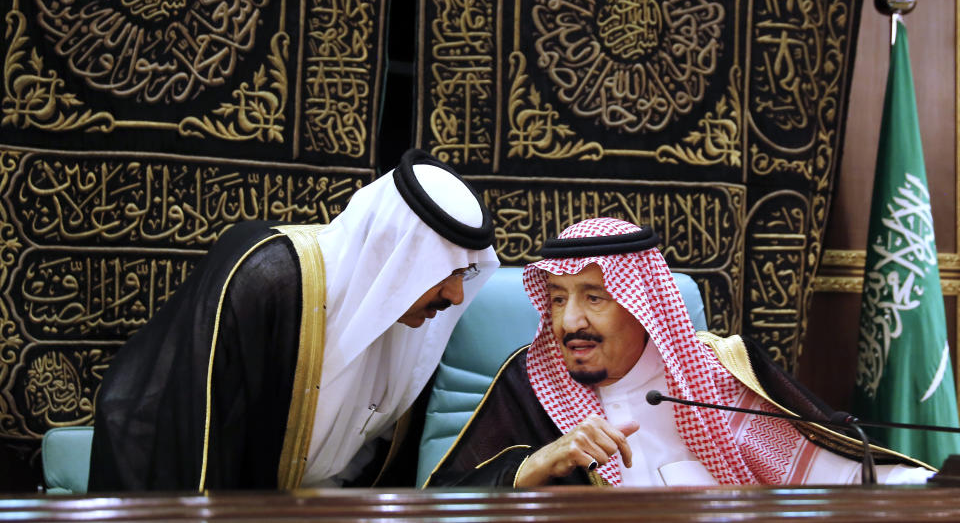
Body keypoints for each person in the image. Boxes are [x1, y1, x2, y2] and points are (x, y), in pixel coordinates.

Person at [89, 149, 499, 491]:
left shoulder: (417, 330)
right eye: (442, 272)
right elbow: (186, 438)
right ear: (395, 257)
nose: (455, 296)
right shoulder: (267, 278)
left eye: (464, 274)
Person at [426, 217, 934, 487]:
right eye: (557, 299)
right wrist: (534, 467)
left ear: (641, 303)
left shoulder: (717, 374)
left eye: (594, 297)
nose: (569, 321)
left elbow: (834, 470)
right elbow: (443, 503)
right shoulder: (529, 383)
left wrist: (930, 485)